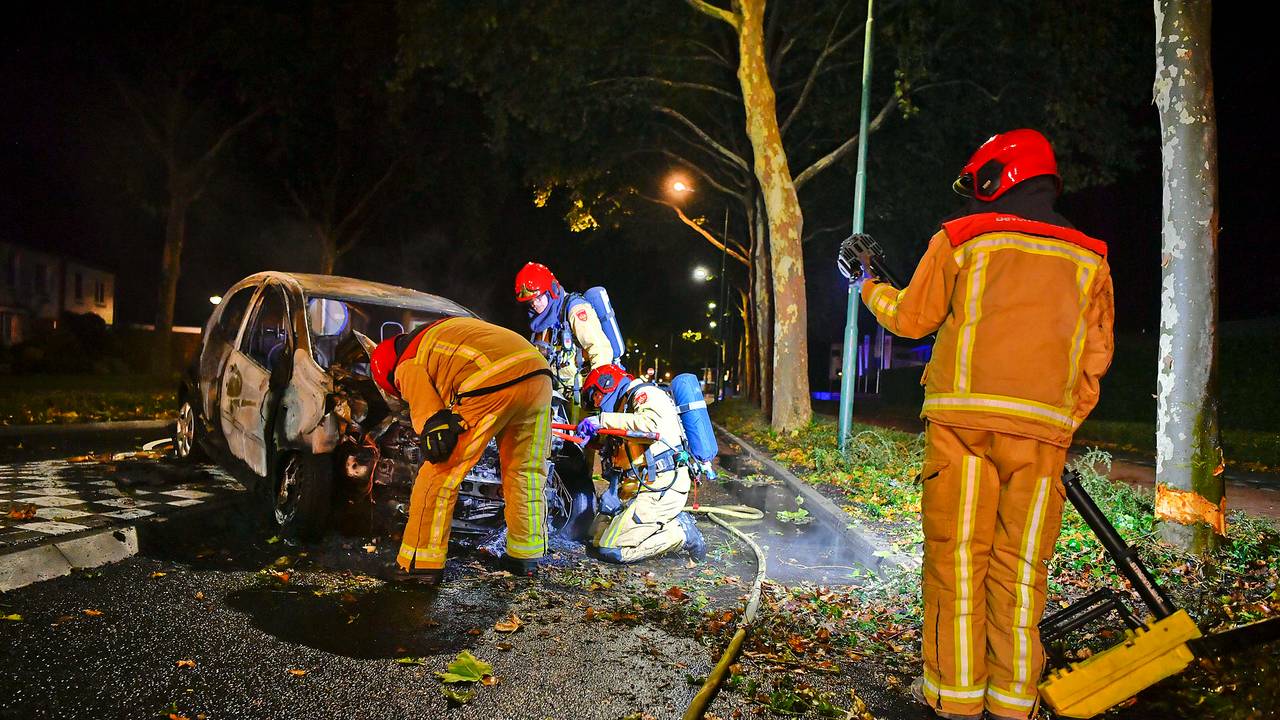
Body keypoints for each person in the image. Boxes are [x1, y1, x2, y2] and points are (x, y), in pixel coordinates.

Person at [852, 129, 1114, 720]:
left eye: (976, 183)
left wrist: (868, 286)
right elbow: (1096, 356)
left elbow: (913, 318)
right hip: (1042, 439)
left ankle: (956, 703)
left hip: (963, 432)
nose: (973, 195)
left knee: (956, 565)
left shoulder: (961, 238)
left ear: (998, 177)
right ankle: (1013, 705)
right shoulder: (1089, 257)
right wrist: (1059, 421)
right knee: (1021, 577)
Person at [369, 316, 554, 585]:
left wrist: (433, 430)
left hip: (495, 377)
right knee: (524, 470)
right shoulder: (445, 332)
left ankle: (418, 564)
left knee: (439, 473)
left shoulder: (405, 363)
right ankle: (525, 555)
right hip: (539, 374)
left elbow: (429, 417)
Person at [575, 364, 705, 564]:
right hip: (638, 488)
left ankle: (681, 533)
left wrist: (603, 420)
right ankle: (654, 524)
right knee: (595, 538)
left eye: (595, 396)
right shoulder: (625, 407)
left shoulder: (645, 393)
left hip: (661, 487)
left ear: (606, 385)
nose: (597, 403)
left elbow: (651, 426)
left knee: (611, 548)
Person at [514, 262, 618, 404]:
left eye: (538, 298)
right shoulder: (544, 320)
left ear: (551, 290)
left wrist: (596, 393)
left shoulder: (576, 310)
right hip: (562, 395)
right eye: (530, 301)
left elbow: (600, 350)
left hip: (585, 395)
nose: (534, 304)